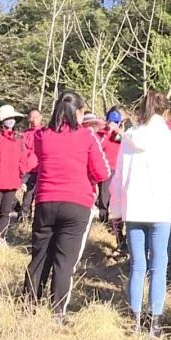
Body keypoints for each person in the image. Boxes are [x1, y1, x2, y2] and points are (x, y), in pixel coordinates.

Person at [109, 91, 171, 337]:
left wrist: (116, 211)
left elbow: (119, 177)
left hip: (134, 209)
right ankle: (154, 323)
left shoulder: (129, 137)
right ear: (165, 112)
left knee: (137, 266)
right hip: (162, 209)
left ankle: (135, 321)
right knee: (159, 267)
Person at [24, 91, 109, 322]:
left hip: (45, 201)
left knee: (39, 257)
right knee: (64, 261)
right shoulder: (86, 136)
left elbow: (40, 157)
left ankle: (28, 306)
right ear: (79, 112)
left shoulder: (42, 135)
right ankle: (57, 312)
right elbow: (102, 172)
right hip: (76, 203)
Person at [0, 105, 26, 248]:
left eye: (13, 118)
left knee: (6, 212)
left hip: (12, 181)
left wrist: (22, 179)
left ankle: (1, 237)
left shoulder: (18, 139)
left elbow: (22, 160)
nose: (11, 121)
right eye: (8, 118)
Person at [18, 108, 44, 223]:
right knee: (27, 197)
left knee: (41, 197)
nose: (33, 120)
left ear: (41, 118)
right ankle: (24, 219)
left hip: (41, 169)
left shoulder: (45, 133)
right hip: (28, 170)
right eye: (31, 117)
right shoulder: (25, 134)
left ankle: (39, 220)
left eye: (36, 117)